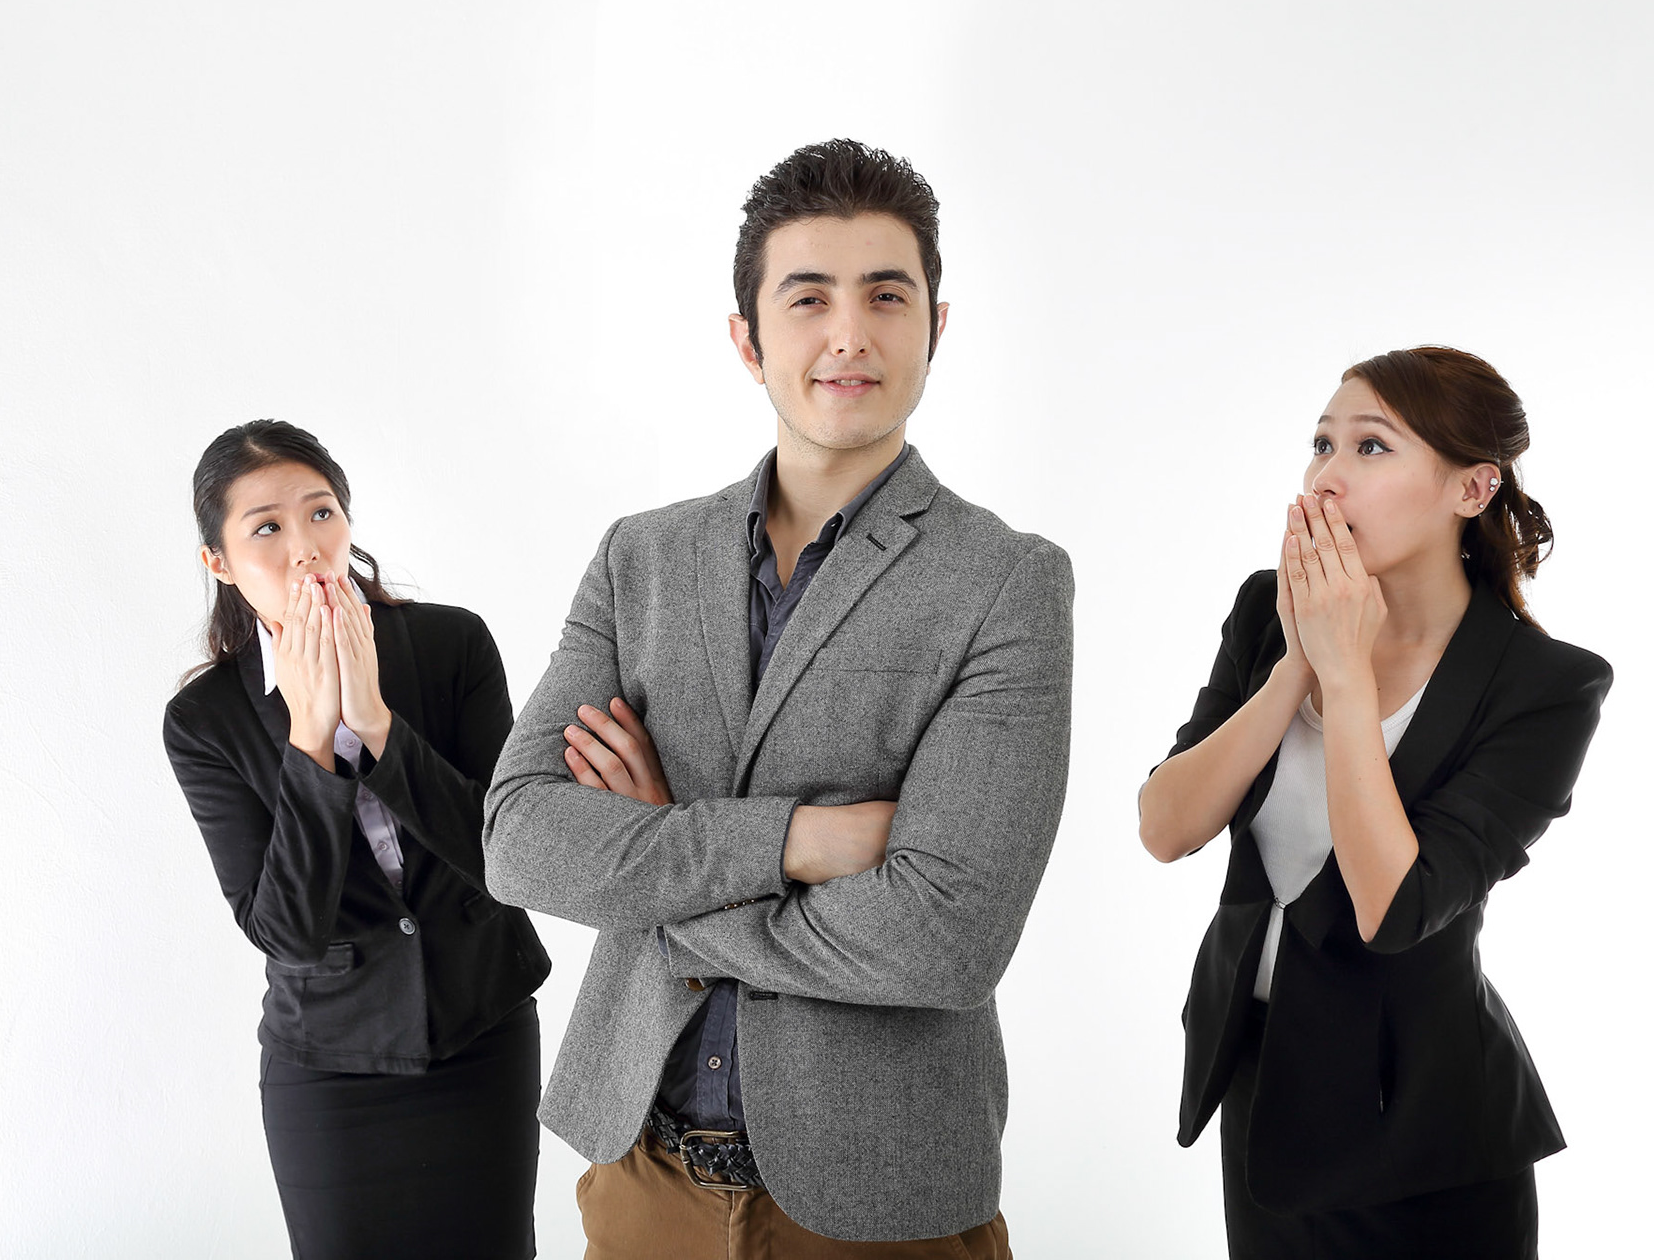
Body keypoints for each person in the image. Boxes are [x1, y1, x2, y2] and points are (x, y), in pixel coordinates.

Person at [483, 139, 1073, 1258]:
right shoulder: (640, 558)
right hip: (641, 1174)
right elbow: (518, 841)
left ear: (936, 326)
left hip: (879, 1197)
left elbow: (947, 937)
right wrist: (801, 839)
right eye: (809, 298)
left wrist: (661, 857)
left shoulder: (1008, 580)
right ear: (748, 340)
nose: (849, 333)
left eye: (886, 295)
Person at [1139, 347, 1612, 1258]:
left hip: (1430, 1138)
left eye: (1370, 448)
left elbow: (1394, 909)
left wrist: (1349, 684)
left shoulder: (1546, 684)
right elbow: (1165, 828)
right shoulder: (1265, 610)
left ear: (1472, 490)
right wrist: (1297, 665)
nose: (1325, 477)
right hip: (1262, 1091)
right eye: (1320, 443)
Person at [163, 420, 550, 1259]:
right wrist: (309, 735)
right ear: (219, 564)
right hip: (330, 1067)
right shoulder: (206, 721)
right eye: (265, 526)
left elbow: (506, 860)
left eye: (322, 513)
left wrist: (374, 723)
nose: (305, 548)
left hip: (481, 1032)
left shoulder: (451, 645)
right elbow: (288, 932)